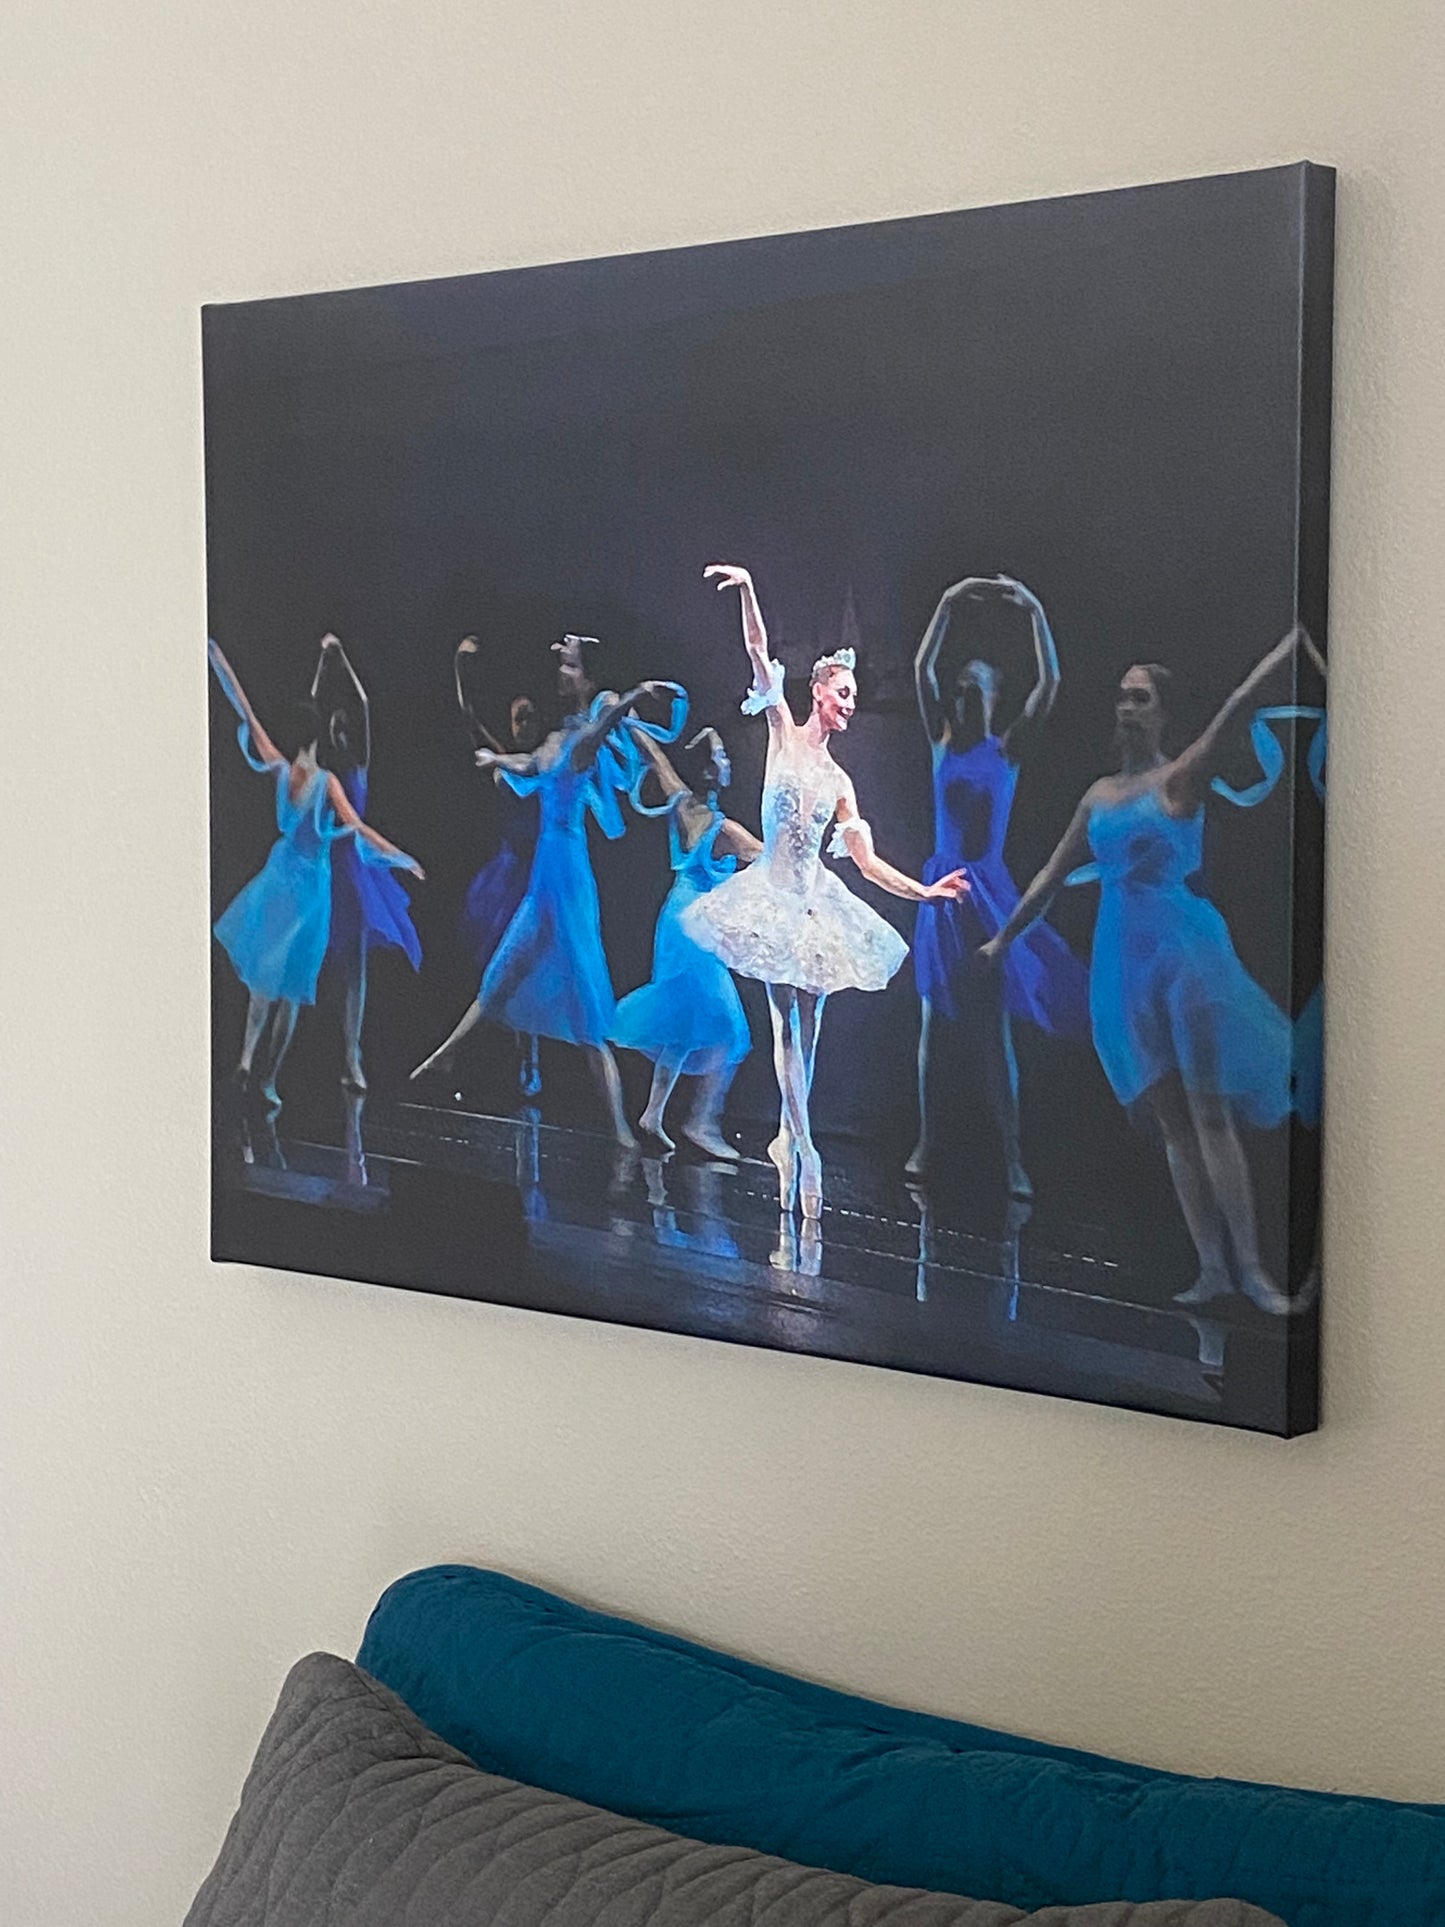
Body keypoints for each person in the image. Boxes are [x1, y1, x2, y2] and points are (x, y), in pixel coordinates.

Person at [980, 624, 1318, 1315]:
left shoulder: (1180, 774)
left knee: (1207, 1111)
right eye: (1121, 697)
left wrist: (1292, 644)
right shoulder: (1100, 794)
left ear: (1161, 710)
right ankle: (1211, 1268)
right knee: (1172, 1122)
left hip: (1181, 955)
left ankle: (1251, 1269)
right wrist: (1002, 940)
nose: (1125, 707)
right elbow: (1050, 873)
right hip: (1123, 962)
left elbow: (1240, 700)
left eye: (1139, 698)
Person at [683, 564, 967, 1218]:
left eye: (853, 694)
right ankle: (804, 1146)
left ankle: (789, 1135)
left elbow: (864, 862)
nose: (850, 702)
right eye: (842, 691)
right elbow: (757, 652)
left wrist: (923, 891)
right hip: (772, 895)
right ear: (818, 692)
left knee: (808, 1026)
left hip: (816, 901)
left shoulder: (841, 781)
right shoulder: (781, 728)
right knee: (786, 1019)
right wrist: (752, 585)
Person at [410, 643, 685, 1147]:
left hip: (567, 873)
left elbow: (601, 731)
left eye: (570, 666)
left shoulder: (582, 739)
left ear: (585, 680)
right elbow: (531, 764)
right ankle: (446, 1051)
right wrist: (496, 756)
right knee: (506, 968)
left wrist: (633, 696)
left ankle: (621, 1128)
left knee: (584, 999)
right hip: (545, 872)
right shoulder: (558, 737)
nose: (561, 672)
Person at [909, 574, 1088, 1195]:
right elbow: (922, 668)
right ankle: (927, 1143)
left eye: (975, 683)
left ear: (992, 694)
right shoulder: (941, 745)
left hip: (987, 890)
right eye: (961, 685)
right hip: (943, 888)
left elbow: (1052, 683)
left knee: (991, 1035)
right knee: (933, 1027)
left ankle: (1013, 1159)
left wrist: (1035, 607)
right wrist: (948, 601)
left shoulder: (1007, 750)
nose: (963, 690)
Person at [208, 638, 423, 1108]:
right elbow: (360, 828)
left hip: (278, 872)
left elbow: (244, 707)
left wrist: (217, 658)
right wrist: (402, 856)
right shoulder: (327, 783)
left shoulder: (284, 770)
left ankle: (247, 1059)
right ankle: (264, 1079)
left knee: (266, 975)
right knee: (290, 988)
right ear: (319, 733)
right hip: (309, 885)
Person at [611, 726, 761, 1157]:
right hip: (695, 926)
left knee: (684, 1022)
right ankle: (702, 1121)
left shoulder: (681, 802)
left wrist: (627, 716)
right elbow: (769, 857)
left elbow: (656, 758)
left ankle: (654, 1115)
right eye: (722, 756)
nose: (727, 762)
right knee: (730, 1029)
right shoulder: (724, 827)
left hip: (675, 917)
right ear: (713, 772)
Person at [310, 634, 422, 1091]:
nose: (339, 723)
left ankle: (351, 1055)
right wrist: (323, 662)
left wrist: (344, 661)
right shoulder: (324, 768)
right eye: (333, 722)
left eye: (343, 722)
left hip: (358, 870)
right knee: (315, 960)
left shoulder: (359, 764)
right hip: (326, 867)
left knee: (355, 966)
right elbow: (316, 705)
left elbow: (363, 703)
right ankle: (308, 1050)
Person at [454, 636, 543, 1096]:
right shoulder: (503, 759)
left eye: (530, 717)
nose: (524, 724)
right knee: (497, 967)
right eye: (518, 718)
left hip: (537, 875)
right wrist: (461, 665)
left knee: (528, 969)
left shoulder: (544, 760)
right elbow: (468, 717)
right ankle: (487, 1055)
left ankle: (530, 1060)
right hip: (505, 876)